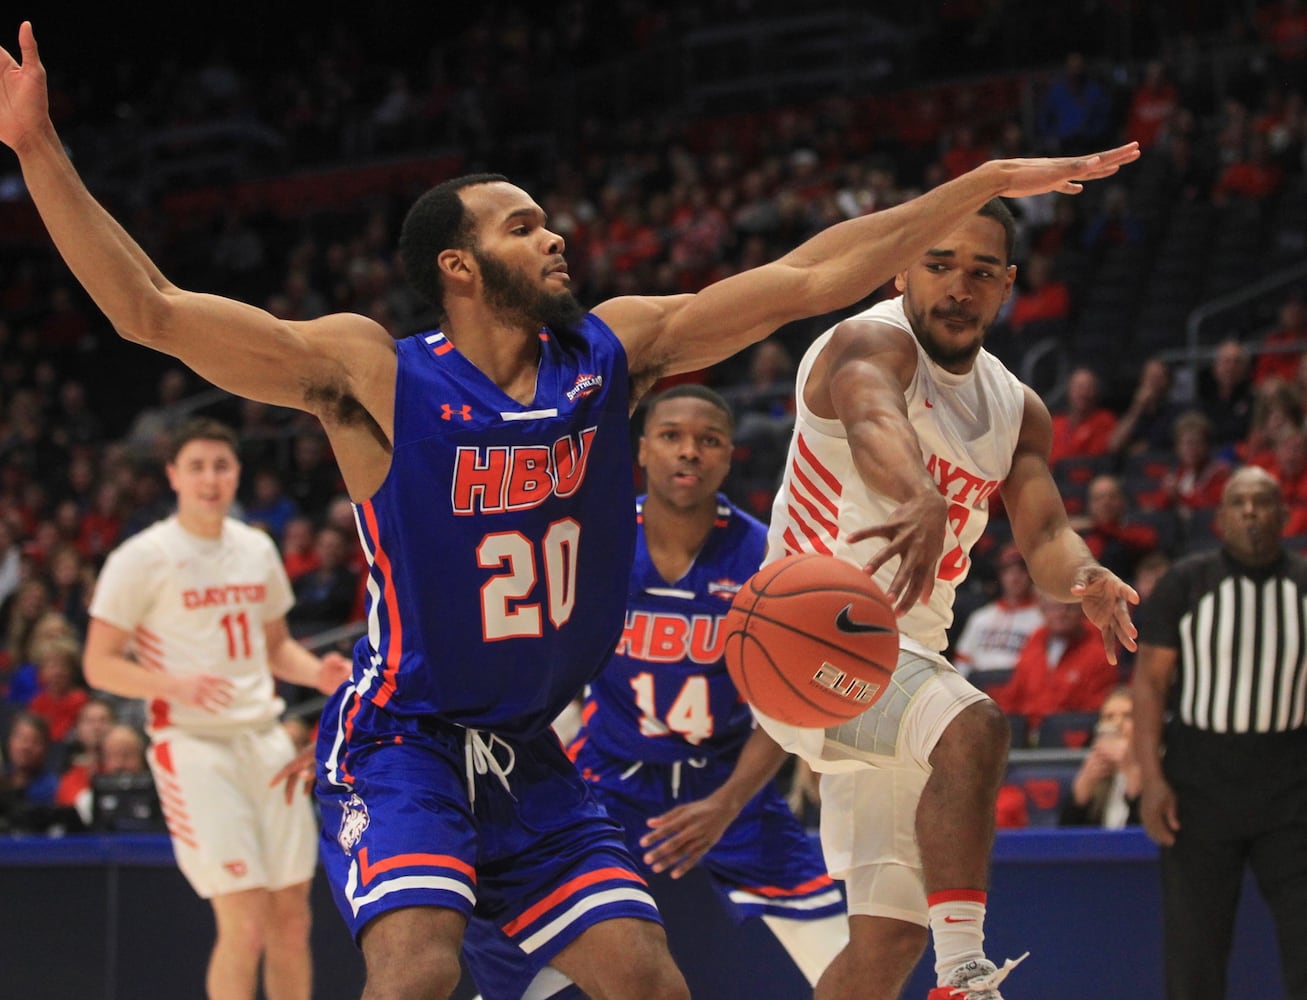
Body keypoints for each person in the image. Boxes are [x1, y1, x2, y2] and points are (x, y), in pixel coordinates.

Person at [0, 21, 1140, 999]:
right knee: (419, 969)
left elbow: (808, 276)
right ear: (457, 265)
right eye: (521, 226)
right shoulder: (376, 374)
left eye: (548, 222)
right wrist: (39, 149)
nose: (554, 237)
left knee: (646, 979)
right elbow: (149, 310)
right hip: (406, 738)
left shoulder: (612, 353)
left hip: (533, 751)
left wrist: (977, 183)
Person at [752, 199, 1139, 1000]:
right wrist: (915, 494)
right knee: (974, 726)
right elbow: (869, 413)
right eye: (938, 264)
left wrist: (1084, 576)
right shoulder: (866, 340)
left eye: (979, 271)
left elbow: (1043, 537)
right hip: (804, 637)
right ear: (899, 267)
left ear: (1007, 288)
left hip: (902, 665)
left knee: (886, 941)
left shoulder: (1016, 407)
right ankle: (965, 976)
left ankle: (935, 962)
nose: (957, 286)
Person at [553, 385, 846, 992]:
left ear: (728, 455)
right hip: (608, 778)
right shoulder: (591, 541)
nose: (690, 452)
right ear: (641, 450)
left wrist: (730, 803)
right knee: (537, 955)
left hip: (727, 778)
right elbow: (544, 662)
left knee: (844, 957)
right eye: (672, 436)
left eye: (708, 440)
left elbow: (788, 703)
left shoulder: (767, 556)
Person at [82, 418, 352, 1000]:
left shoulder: (255, 546)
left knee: (293, 920)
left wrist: (319, 673)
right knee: (246, 922)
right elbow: (98, 665)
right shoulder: (142, 556)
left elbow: (276, 648)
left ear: (237, 475)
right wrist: (173, 684)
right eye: (198, 466)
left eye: (221, 466)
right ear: (174, 475)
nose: (210, 479)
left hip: (265, 740)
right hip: (194, 745)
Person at [1134, 466, 1307, 1000]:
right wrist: (1152, 779)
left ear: (1284, 515)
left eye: (1263, 501)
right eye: (1239, 502)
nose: (1251, 511)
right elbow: (1149, 686)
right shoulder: (1186, 584)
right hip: (1199, 785)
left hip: (1293, 788)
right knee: (1195, 953)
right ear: (1220, 518)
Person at [991, 595, 1120, 733]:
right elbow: (1014, 695)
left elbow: (1090, 716)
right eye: (1054, 608)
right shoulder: (1035, 641)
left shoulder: (1099, 656)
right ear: (1042, 609)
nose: (1061, 613)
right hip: (1026, 736)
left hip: (1068, 744)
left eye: (1069, 608)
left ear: (1083, 611)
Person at [950, 545, 1045, 692]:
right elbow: (962, 661)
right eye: (1008, 571)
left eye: (1021, 571)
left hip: (1018, 686)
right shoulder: (981, 617)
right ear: (1000, 576)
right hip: (979, 685)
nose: (1015, 577)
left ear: (1030, 575)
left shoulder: (1042, 618)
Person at [1059, 686, 1140, 828]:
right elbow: (1067, 841)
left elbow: (1148, 835)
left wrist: (1130, 771)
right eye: (1108, 717)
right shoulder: (1094, 777)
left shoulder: (1160, 770)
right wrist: (1082, 791)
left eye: (1128, 716)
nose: (1117, 724)